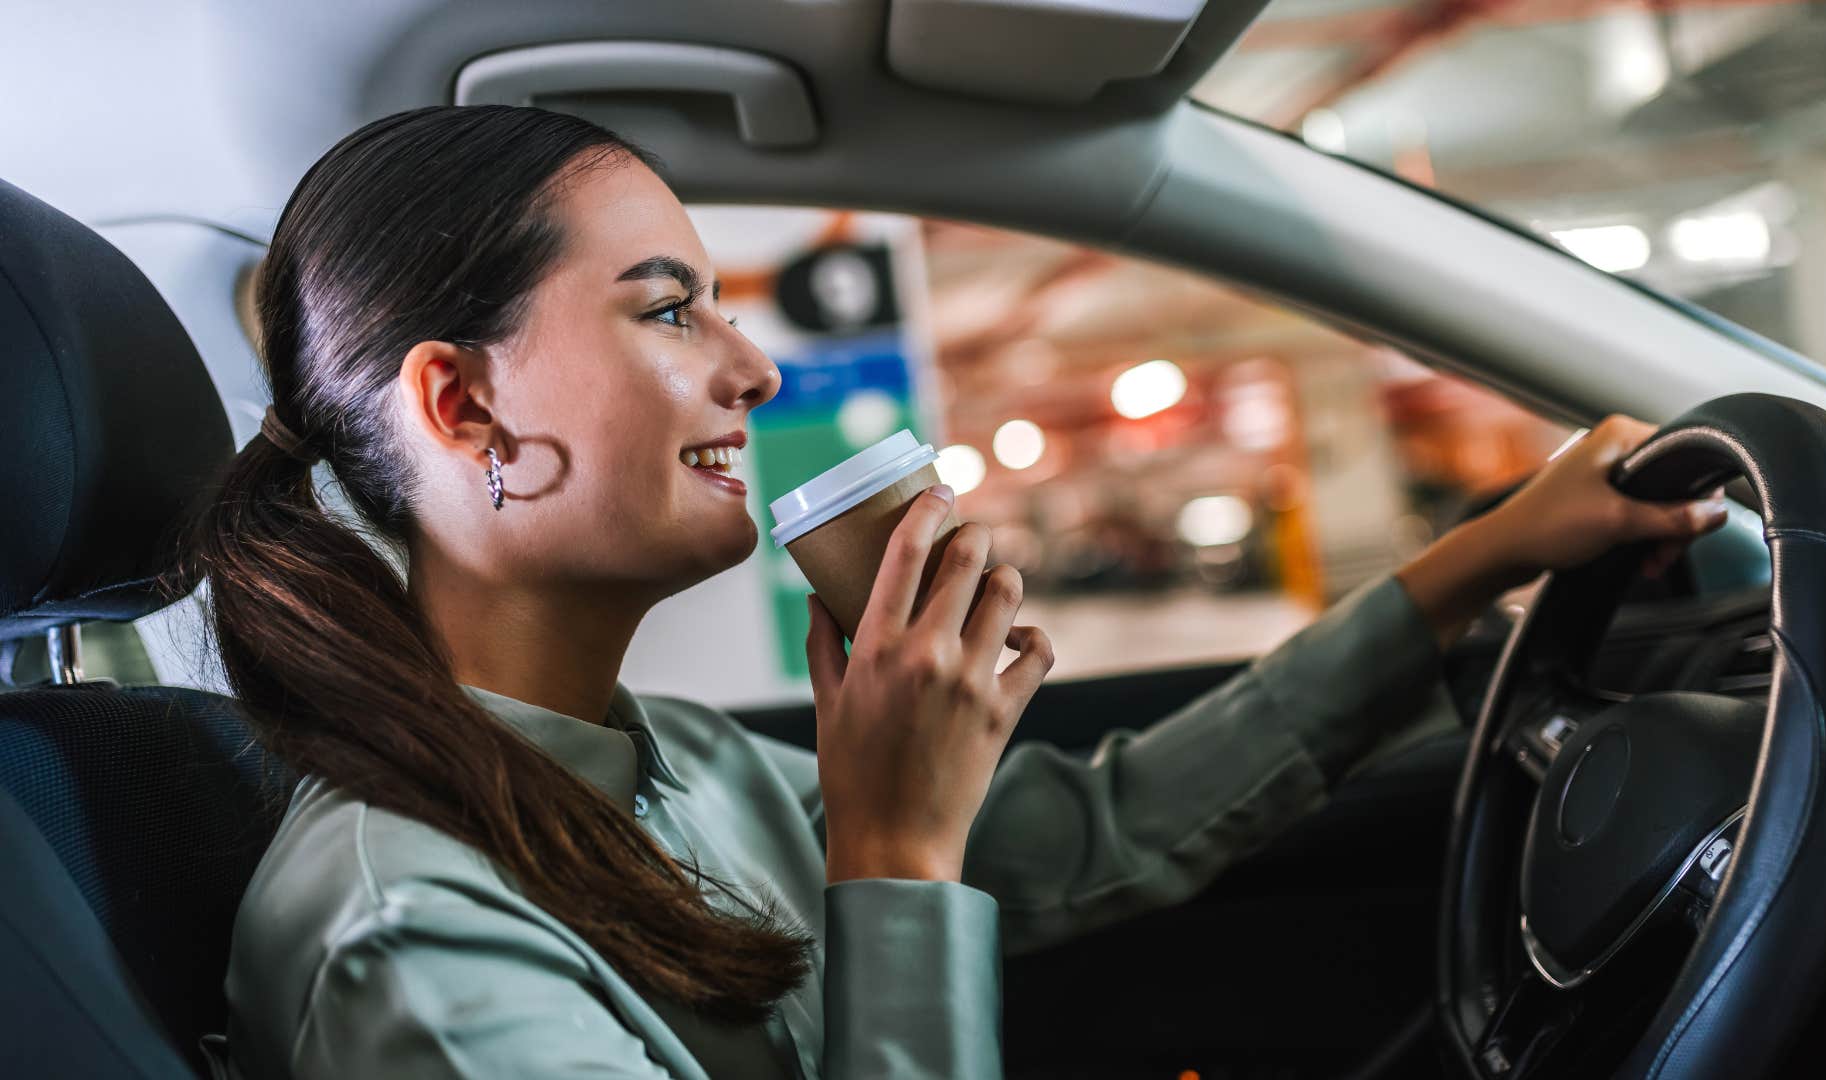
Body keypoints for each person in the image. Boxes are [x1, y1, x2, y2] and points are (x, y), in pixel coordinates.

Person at [194, 105, 1725, 1080]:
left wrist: (1488, 553)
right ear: (462, 407)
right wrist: (895, 852)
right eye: (668, 311)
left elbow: (1109, 831)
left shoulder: (681, 762)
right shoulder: (409, 936)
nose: (754, 367)